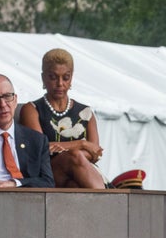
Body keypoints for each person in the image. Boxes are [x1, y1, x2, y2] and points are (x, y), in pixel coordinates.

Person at [19, 48, 106, 188]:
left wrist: (61, 148)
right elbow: (41, 150)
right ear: (43, 78)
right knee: (75, 157)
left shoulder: (85, 112)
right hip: (48, 174)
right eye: (53, 77)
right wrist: (82, 144)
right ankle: (108, 200)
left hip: (81, 175)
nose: (60, 83)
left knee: (74, 184)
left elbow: (96, 152)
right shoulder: (31, 110)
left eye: (65, 77)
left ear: (71, 77)